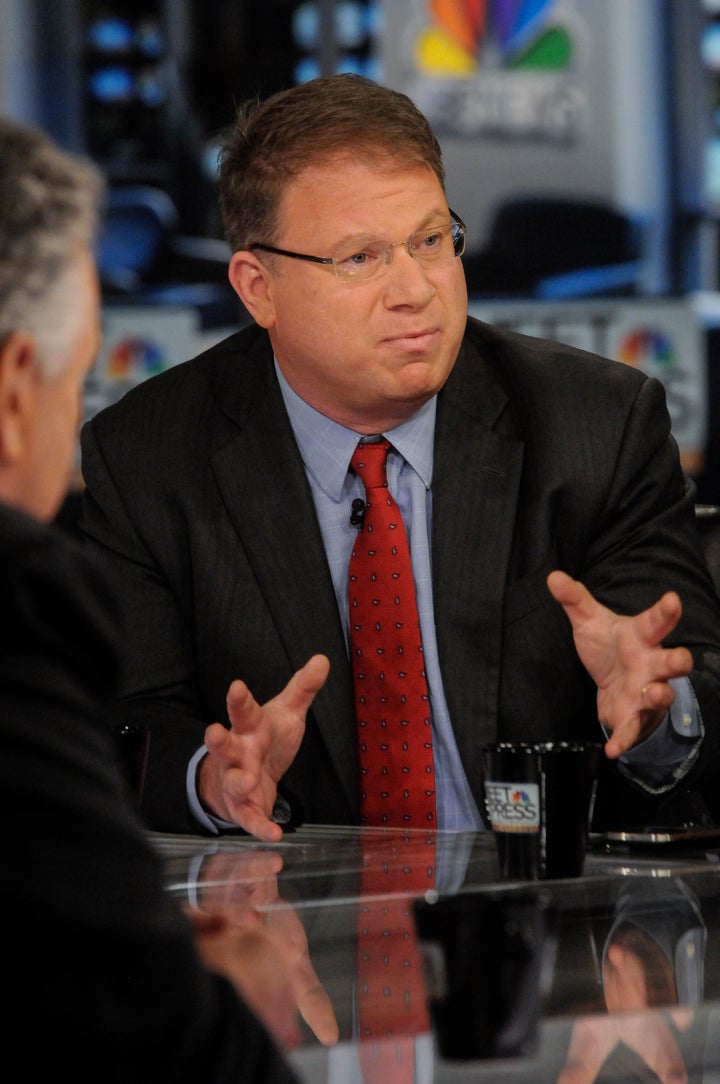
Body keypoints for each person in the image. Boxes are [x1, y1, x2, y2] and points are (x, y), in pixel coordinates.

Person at [80, 73, 720, 842]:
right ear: (259, 289)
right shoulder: (149, 456)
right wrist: (211, 780)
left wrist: (658, 714)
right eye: (360, 258)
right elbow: (123, 727)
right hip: (289, 936)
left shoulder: (597, 427)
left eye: (430, 240)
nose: (416, 289)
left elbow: (693, 687)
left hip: (550, 921)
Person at [0, 115, 338, 1078]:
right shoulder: (17, 601)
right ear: (19, 388)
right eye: (75, 381)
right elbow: (151, 1034)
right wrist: (237, 992)